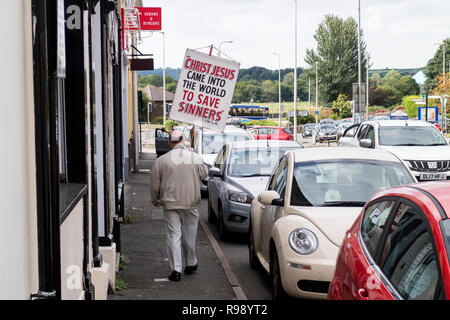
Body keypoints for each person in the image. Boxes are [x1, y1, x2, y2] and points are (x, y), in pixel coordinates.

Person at [150, 130, 208, 281]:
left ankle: (175, 270)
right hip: (190, 202)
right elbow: (204, 174)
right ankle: (190, 263)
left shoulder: (161, 161)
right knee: (190, 235)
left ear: (169, 142)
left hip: (170, 203)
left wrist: (155, 198)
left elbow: (155, 184)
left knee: (173, 235)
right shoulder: (194, 157)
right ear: (184, 140)